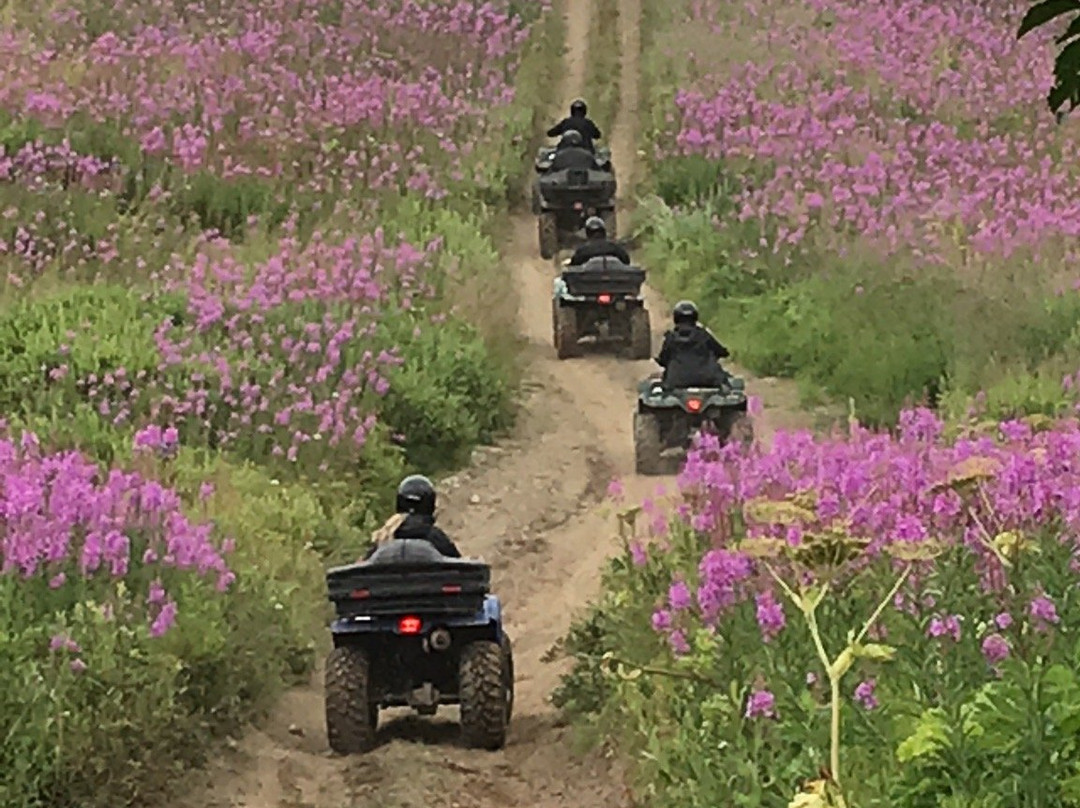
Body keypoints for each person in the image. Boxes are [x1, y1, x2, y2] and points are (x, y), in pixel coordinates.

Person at [363, 474, 462, 559]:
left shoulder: (384, 537)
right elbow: (459, 566)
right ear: (430, 503)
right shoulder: (434, 536)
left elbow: (363, 568)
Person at [655, 300, 731, 389]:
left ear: (676, 318)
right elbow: (720, 351)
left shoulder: (671, 338)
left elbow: (663, 359)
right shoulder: (703, 334)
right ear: (695, 317)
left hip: (676, 383)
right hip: (707, 381)